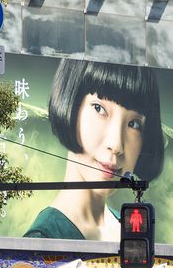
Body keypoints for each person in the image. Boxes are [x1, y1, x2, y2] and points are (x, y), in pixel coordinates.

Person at [23, 58, 165, 240]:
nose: (116, 145)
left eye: (134, 124)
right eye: (99, 109)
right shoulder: (44, 240)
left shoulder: (129, 228)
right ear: (70, 105)